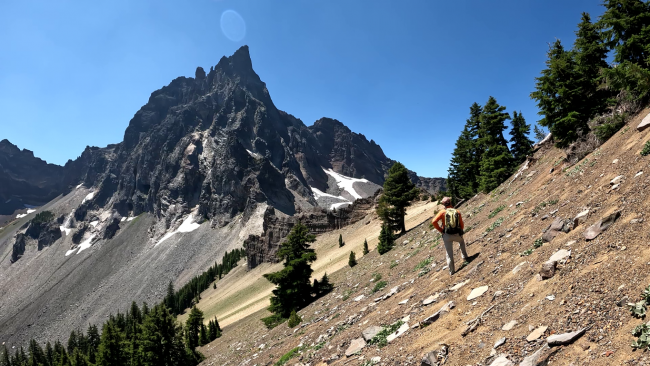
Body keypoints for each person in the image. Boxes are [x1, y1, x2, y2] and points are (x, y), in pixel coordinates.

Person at [431, 197, 469, 275]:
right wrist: (460, 232)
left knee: (449, 253)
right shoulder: (457, 211)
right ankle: (464, 257)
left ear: (443, 204)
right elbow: (461, 224)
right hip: (457, 234)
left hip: (446, 235)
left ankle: (452, 271)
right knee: (461, 242)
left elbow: (434, 221)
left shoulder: (442, 212)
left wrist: (441, 230)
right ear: (450, 202)